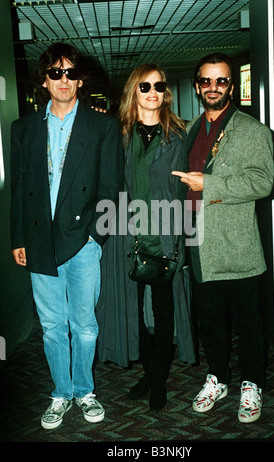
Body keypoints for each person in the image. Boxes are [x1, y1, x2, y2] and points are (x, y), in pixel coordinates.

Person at [10, 43, 124, 429]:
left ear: (80, 79)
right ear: (44, 80)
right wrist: (18, 238)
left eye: (70, 73)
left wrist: (96, 237)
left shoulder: (102, 126)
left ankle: (84, 390)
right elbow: (20, 189)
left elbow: (112, 189)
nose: (64, 80)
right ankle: (60, 393)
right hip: (40, 241)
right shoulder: (24, 128)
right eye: (55, 73)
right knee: (53, 326)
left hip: (83, 242)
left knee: (85, 324)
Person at [172, 53, 274, 423]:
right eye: (206, 81)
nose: (213, 87)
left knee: (249, 322)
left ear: (231, 86)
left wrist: (209, 183)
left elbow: (263, 182)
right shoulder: (189, 130)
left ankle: (252, 383)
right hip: (198, 244)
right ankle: (217, 377)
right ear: (198, 85)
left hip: (237, 245)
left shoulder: (253, 130)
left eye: (222, 81)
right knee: (210, 320)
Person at [96, 63, 196, 412]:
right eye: (144, 86)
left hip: (166, 235)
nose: (153, 92)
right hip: (126, 236)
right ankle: (151, 372)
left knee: (165, 311)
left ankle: (158, 381)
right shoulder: (118, 134)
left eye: (158, 86)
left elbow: (186, 190)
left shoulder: (179, 134)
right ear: (133, 92)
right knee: (134, 311)